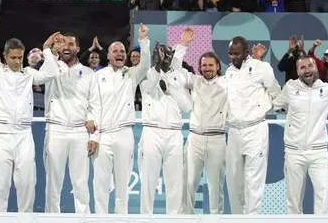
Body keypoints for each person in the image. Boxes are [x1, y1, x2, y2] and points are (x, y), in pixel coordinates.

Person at [0, 29, 63, 212]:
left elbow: (52, 73)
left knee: (26, 185)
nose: (17, 62)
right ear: (4, 55)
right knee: (0, 187)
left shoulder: (29, 73)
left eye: (20, 57)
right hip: (0, 135)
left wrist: (47, 49)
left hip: (24, 135)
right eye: (13, 58)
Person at [91, 24, 150, 214]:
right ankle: (100, 218)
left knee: (122, 186)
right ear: (107, 56)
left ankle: (121, 218)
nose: (119, 53)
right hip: (104, 135)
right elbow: (92, 104)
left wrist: (143, 41)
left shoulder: (131, 75)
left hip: (124, 134)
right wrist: (94, 136)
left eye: (122, 51)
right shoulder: (98, 76)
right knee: (100, 185)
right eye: (115, 51)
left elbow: (146, 64)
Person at [272, 56, 328, 214]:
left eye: (310, 66)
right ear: (297, 71)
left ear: (316, 68)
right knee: (294, 201)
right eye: (302, 67)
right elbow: (272, 104)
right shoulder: (290, 88)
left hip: (318, 152)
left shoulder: (326, 90)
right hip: (294, 152)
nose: (307, 70)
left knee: (322, 196)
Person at [43, 33, 100, 214]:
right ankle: (51, 219)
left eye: (70, 44)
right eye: (62, 44)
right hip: (56, 130)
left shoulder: (90, 74)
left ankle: (83, 218)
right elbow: (42, 74)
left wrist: (95, 136)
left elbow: (95, 104)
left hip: (79, 132)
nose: (66, 47)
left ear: (78, 49)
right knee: (53, 183)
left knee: (81, 183)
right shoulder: (51, 68)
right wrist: (49, 50)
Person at [138, 32, 193, 214]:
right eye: (160, 55)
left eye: (166, 55)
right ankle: (145, 218)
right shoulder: (146, 74)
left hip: (174, 133)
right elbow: (150, 87)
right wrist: (157, 67)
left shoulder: (178, 76)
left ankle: (174, 219)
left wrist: (172, 84)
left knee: (175, 183)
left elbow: (187, 106)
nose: (164, 58)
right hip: (152, 132)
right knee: (148, 181)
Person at [225, 37, 281, 215]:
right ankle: (237, 219)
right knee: (234, 183)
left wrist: (263, 109)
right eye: (231, 53)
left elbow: (275, 92)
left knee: (253, 181)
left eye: (237, 53)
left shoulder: (261, 68)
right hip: (233, 131)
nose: (233, 57)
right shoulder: (229, 73)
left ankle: (252, 219)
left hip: (255, 130)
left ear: (246, 52)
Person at [172, 38, 228, 214]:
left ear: (217, 66)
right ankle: (186, 217)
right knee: (188, 182)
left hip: (217, 139)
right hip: (195, 138)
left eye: (211, 65)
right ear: (199, 67)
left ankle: (216, 218)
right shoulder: (194, 81)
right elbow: (176, 68)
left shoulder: (227, 83)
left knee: (215, 186)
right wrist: (183, 45)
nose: (207, 68)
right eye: (204, 65)